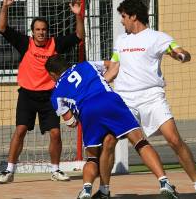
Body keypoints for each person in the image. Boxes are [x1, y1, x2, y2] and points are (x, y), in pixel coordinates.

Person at [106, 0, 196, 198]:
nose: (122, 21)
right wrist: (100, 86)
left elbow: (177, 51)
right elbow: (114, 67)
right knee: (109, 140)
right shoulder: (121, 41)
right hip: (125, 99)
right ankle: (104, 190)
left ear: (134, 16)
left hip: (152, 97)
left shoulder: (157, 37)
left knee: (174, 140)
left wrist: (181, 55)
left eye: (124, 16)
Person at [45, 55, 179, 199]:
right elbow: (112, 65)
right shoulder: (86, 65)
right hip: (109, 99)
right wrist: (103, 80)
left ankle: (86, 190)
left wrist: (78, 113)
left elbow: (71, 122)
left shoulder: (56, 94)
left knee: (92, 158)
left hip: (88, 111)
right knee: (139, 142)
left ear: (53, 74)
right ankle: (164, 184)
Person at [0, 0, 84, 184]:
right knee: (19, 130)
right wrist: (5, 6)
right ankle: (9, 170)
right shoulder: (24, 43)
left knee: (55, 133)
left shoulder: (56, 44)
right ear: (32, 31)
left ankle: (55, 170)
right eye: (37, 29)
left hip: (50, 96)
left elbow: (79, 35)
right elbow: (2, 28)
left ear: (47, 31)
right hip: (27, 95)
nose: (41, 32)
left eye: (44, 29)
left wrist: (78, 15)